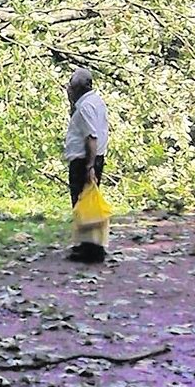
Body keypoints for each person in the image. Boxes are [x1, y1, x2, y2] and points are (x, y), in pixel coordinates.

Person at [64, 67, 109, 262]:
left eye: (71, 85)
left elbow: (91, 136)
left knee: (83, 203)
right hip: (93, 158)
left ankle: (90, 250)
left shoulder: (85, 107)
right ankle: (88, 245)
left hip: (85, 160)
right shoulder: (95, 101)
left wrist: (89, 166)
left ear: (78, 88)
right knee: (87, 203)